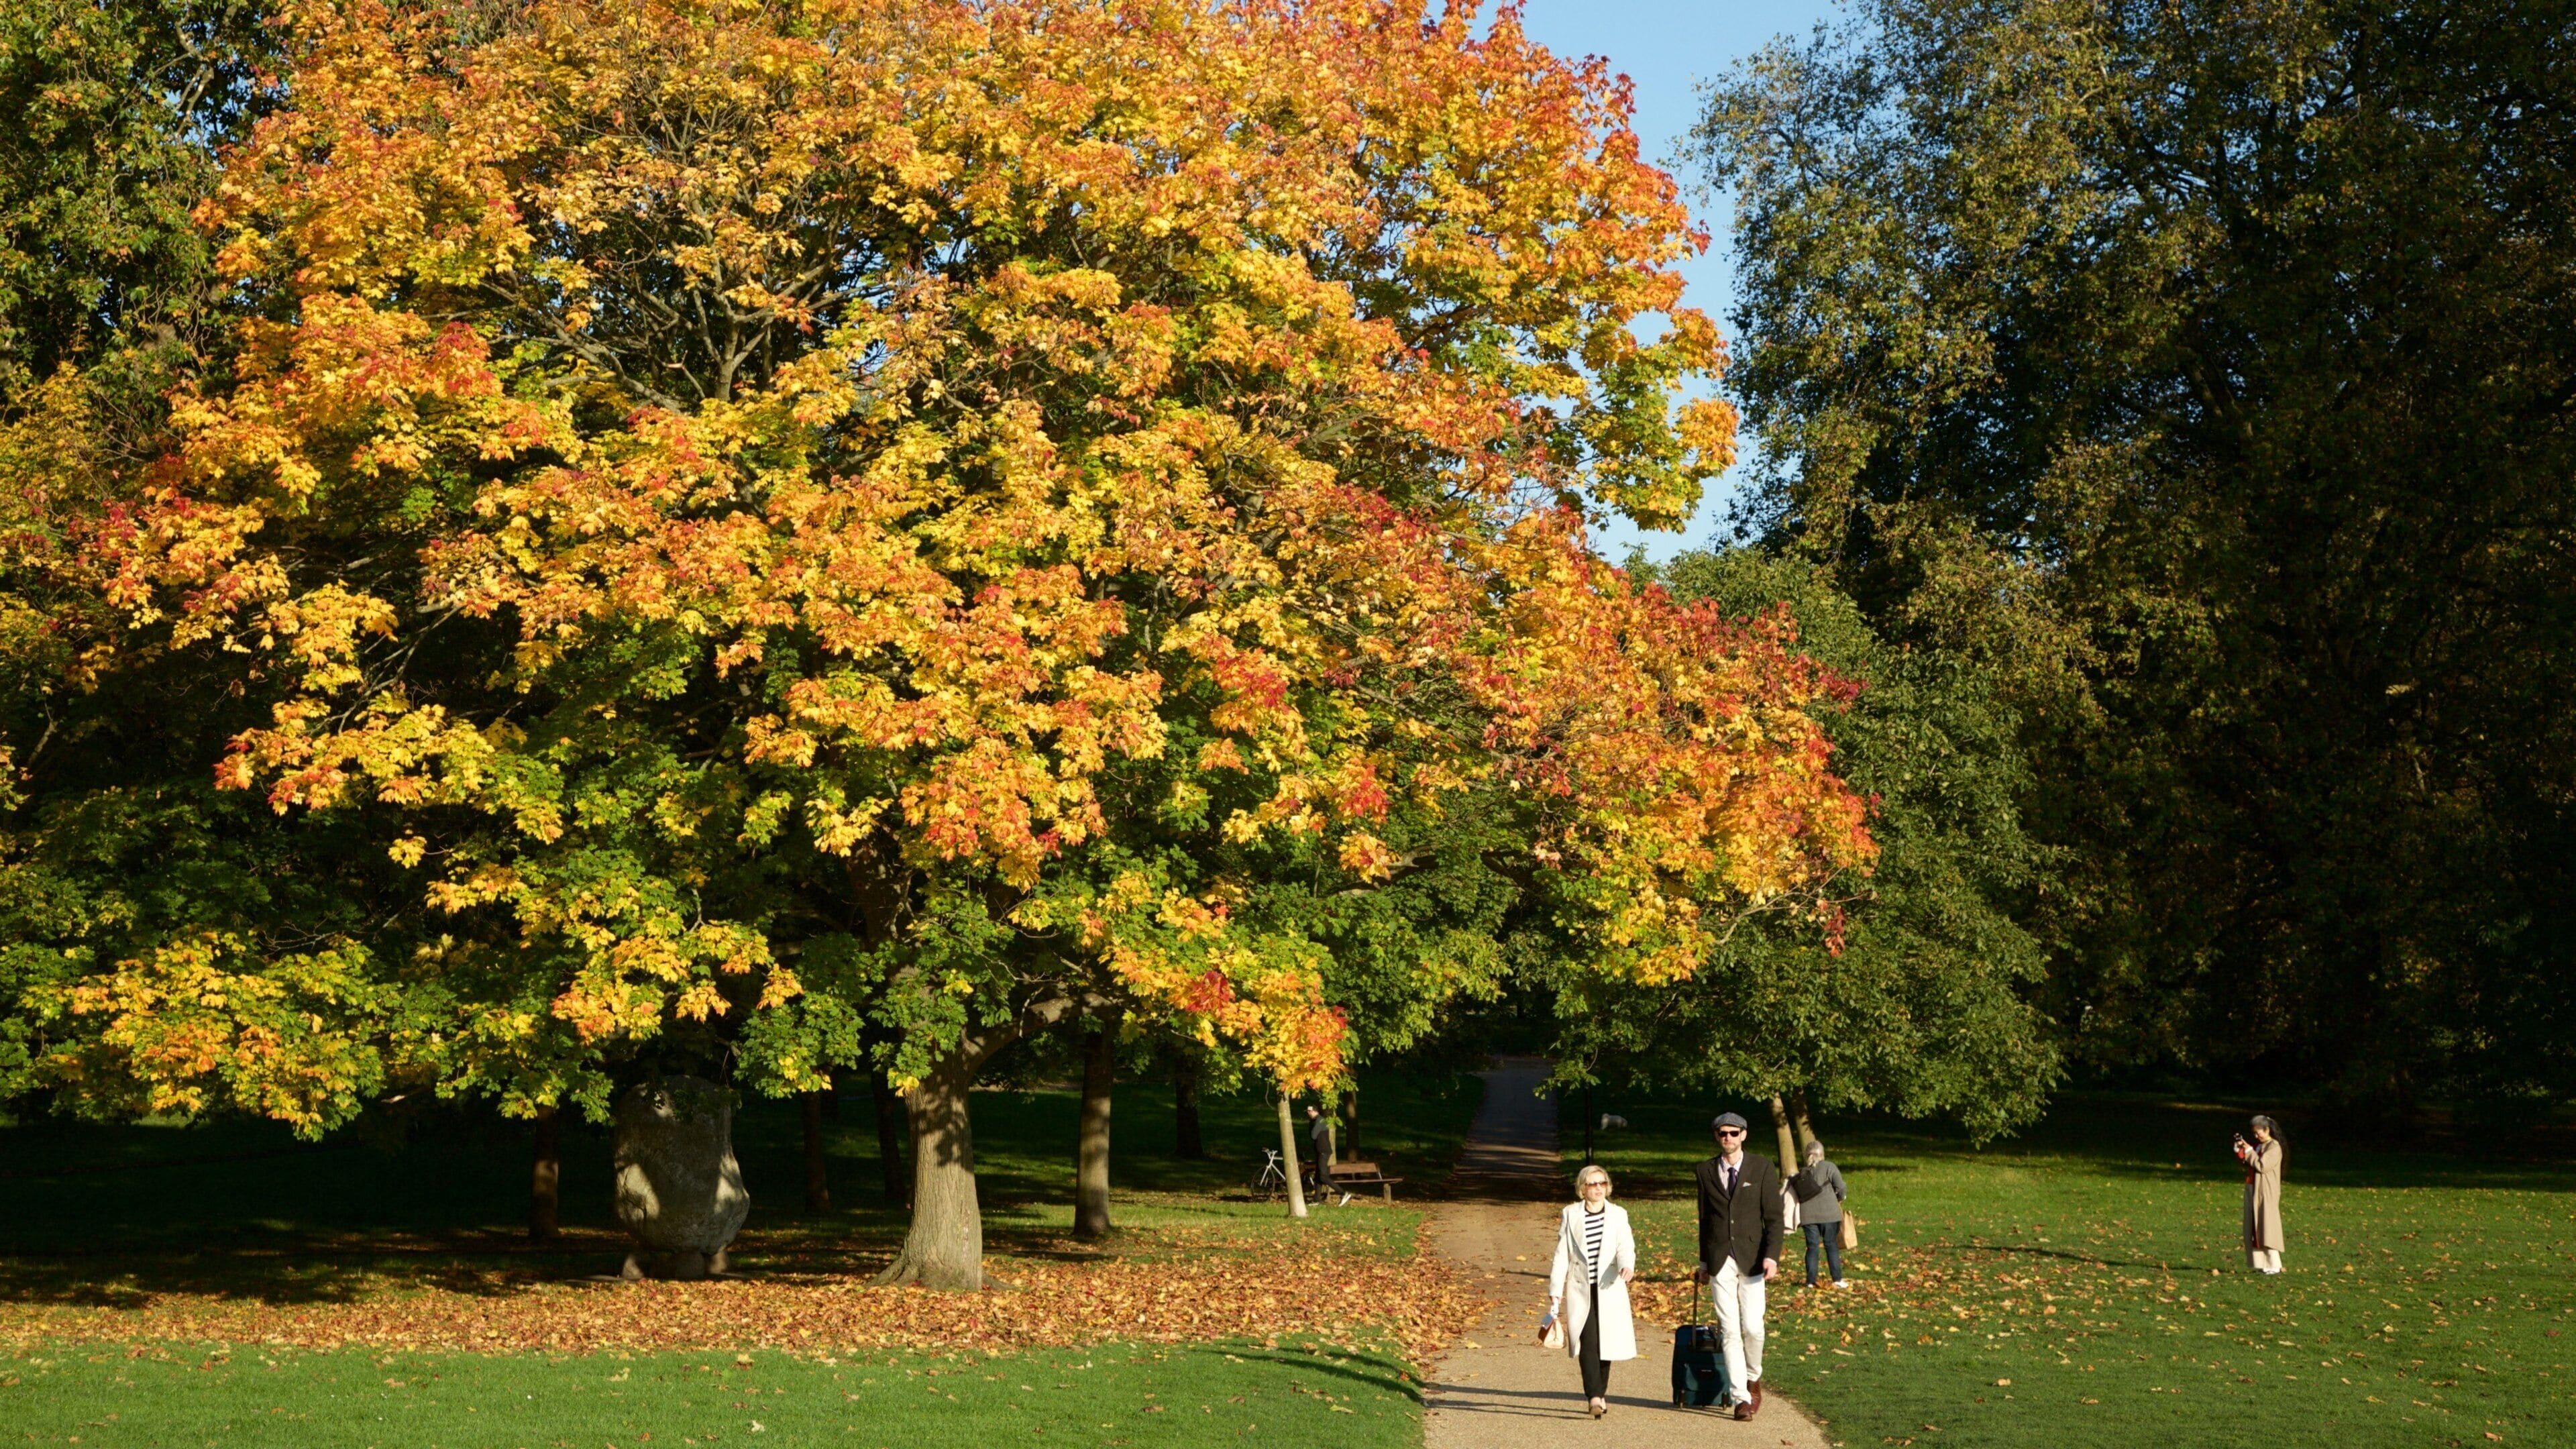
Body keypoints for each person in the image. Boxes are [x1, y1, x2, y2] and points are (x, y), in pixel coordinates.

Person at [1693, 1111, 1782, 1421]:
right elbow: (1705, 1219)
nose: (1727, 1138)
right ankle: (1741, 1398)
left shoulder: (1761, 1167)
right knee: (1729, 1330)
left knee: (1753, 1328)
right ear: (1716, 1136)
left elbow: (1773, 1217)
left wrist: (1772, 1256)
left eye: (1733, 1133)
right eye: (1722, 1133)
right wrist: (1704, 1262)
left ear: (1744, 1134)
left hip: (1754, 1258)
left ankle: (1753, 1377)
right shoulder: (1705, 1171)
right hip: (1720, 1260)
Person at [1542, 1164, 1636, 1419]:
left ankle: (1600, 1393)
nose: (1598, 1189)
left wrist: (1628, 1265)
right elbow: (1562, 1254)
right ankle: (1594, 1396)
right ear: (1582, 1188)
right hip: (1580, 1288)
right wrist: (1556, 1289)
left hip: (1609, 1288)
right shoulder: (1571, 1214)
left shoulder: (1618, 1214)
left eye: (1602, 1183)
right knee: (1588, 1342)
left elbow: (1625, 1245)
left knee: (1607, 1343)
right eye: (1592, 1184)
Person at [1790, 1138, 1848, 1288]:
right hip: (1829, 1214)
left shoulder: (1802, 1172)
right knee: (1831, 1245)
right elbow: (1841, 1187)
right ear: (1822, 1154)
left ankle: (1810, 1281)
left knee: (1812, 1247)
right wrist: (1841, 1198)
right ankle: (1837, 1279)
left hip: (1808, 1216)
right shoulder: (1829, 1167)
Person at [2234, 1114, 2285, 1274]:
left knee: (2267, 1225)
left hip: (2266, 1192)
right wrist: (2240, 1150)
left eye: (2259, 1132)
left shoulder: (2274, 1147)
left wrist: (2249, 1151)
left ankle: (2274, 1264)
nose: (2256, 1136)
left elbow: (2262, 1166)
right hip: (2252, 1188)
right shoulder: (2258, 1146)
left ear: (2267, 1130)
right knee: (2254, 1226)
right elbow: (2250, 1162)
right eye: (2254, 1133)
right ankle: (2262, 1263)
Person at [1305, 1102, 1338, 1199]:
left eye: (1310, 1111)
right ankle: (1317, 1199)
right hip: (1320, 1151)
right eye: (1308, 1111)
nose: (1308, 1113)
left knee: (1323, 1176)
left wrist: (1312, 1126)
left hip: (1324, 1151)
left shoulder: (1320, 1121)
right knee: (1318, 1177)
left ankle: (1343, 1193)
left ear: (1316, 1111)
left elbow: (1313, 1135)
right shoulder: (1316, 1121)